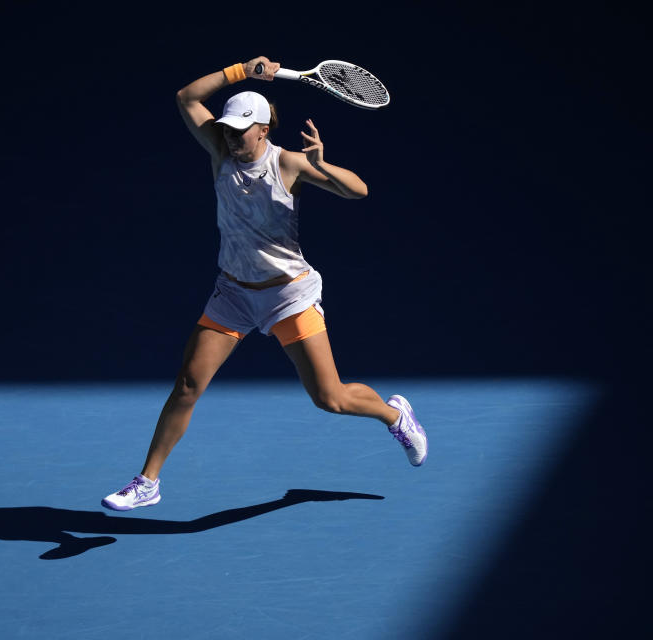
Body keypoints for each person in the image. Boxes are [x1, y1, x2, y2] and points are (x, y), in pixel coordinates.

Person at [102, 56, 427, 511]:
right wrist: (240, 71)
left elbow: (359, 191)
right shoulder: (218, 148)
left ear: (264, 129)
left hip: (288, 295)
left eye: (241, 130)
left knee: (330, 399)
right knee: (188, 386)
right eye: (228, 128)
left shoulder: (290, 164)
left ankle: (395, 415)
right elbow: (186, 97)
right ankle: (147, 482)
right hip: (233, 293)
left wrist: (323, 165)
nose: (232, 136)